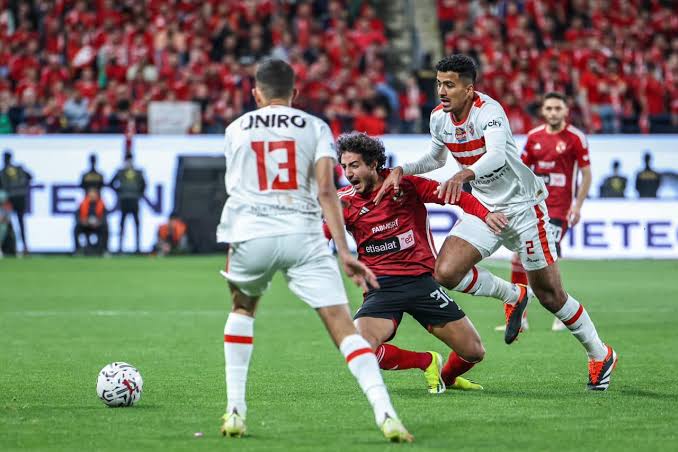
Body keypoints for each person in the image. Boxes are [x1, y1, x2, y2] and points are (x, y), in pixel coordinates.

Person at [375, 55, 617, 391]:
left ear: (468, 89)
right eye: (439, 84)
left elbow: (497, 155)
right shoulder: (439, 117)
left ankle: (600, 353)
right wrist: (404, 169)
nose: (442, 91)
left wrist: (464, 174)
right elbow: (436, 157)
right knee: (445, 272)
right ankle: (512, 294)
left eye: (449, 85)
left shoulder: (489, 111)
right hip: (485, 208)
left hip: (524, 208)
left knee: (550, 295)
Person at [216, 59, 412, 442]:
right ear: (294, 93)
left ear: (256, 94)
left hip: (253, 232)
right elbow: (326, 191)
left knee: (242, 310)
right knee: (343, 328)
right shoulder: (315, 127)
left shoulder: (235, 128)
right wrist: (345, 251)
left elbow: (237, 188)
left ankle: (235, 411)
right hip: (303, 234)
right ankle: (386, 413)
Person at [327, 132, 523, 394]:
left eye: (354, 165)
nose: (348, 173)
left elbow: (458, 197)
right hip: (380, 288)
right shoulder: (344, 201)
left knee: (473, 352)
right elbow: (321, 235)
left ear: (373, 164)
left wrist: (486, 215)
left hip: (422, 283)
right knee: (360, 347)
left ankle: (448, 378)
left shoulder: (406, 185)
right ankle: (426, 361)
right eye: (344, 167)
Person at [505, 92, 592, 332]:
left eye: (557, 108)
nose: (553, 112)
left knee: (543, 259)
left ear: (566, 111)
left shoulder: (576, 138)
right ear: (543, 111)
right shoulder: (534, 137)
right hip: (533, 207)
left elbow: (586, 175)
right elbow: (521, 170)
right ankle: (519, 318)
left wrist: (577, 206)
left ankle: (563, 312)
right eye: (549, 108)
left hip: (559, 210)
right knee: (521, 257)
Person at [110, 153, 146, 253]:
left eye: (130, 160)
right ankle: (120, 247)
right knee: (122, 223)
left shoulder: (138, 172)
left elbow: (144, 184)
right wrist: (119, 192)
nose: (128, 163)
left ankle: (137, 247)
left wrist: (139, 194)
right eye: (127, 160)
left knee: (136, 223)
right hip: (124, 200)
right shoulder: (120, 172)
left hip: (134, 200)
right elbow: (111, 183)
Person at [0, 150, 32, 254]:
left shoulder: (3, 172)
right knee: (21, 223)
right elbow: (30, 177)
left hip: (9, 200)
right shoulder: (19, 169)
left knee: (4, 223)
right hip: (21, 198)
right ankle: (25, 247)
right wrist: (23, 187)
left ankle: (6, 248)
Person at [73, 188, 108, 255]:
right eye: (90, 195)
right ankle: (78, 250)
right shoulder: (83, 204)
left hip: (97, 226)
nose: (92, 196)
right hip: (86, 226)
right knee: (76, 228)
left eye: (94, 195)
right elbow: (77, 216)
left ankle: (104, 250)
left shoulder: (101, 204)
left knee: (105, 228)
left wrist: (98, 222)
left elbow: (104, 217)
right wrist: (83, 222)